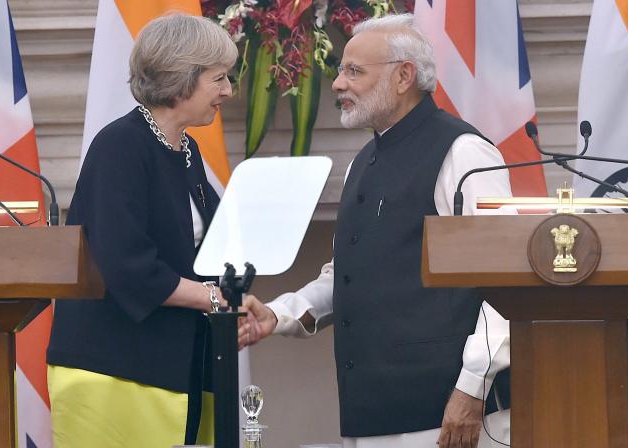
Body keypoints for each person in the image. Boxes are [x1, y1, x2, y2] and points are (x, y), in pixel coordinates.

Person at [239, 14, 512, 448]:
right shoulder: (361, 163)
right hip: (368, 414)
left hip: (445, 416)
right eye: (340, 70)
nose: (337, 84)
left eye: (354, 72)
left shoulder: (464, 152)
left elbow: (505, 281)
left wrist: (471, 390)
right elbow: (348, 276)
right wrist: (279, 313)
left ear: (404, 76)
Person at [46, 14, 236, 448]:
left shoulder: (184, 151)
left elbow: (215, 248)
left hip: (174, 366)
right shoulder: (120, 146)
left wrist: (237, 296)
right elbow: (128, 265)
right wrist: (215, 299)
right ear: (181, 78)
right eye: (219, 78)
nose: (228, 91)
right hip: (115, 371)